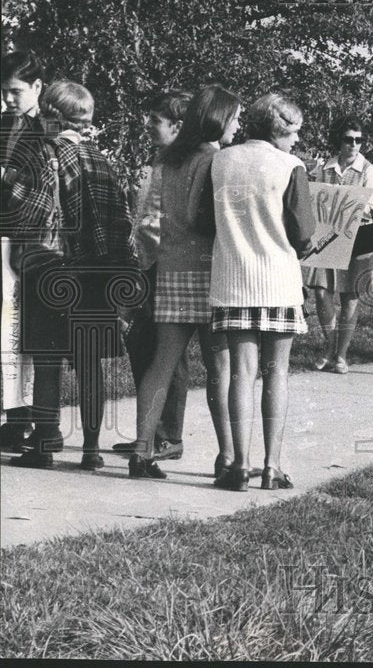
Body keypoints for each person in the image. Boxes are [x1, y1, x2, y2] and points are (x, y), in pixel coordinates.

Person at [3, 80, 138, 469]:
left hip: (50, 266)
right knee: (88, 361)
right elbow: (121, 219)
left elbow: (22, 208)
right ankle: (92, 451)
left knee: (48, 361)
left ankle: (45, 445)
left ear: (50, 112)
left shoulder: (44, 153)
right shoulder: (100, 159)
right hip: (96, 272)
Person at [127, 86, 240, 481]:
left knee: (161, 363)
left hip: (172, 267)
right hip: (209, 271)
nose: (237, 126)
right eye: (234, 118)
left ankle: (142, 450)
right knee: (219, 367)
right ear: (217, 120)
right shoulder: (213, 159)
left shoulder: (168, 158)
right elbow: (198, 216)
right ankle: (228, 455)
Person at [208, 92, 315, 492]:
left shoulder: (221, 160)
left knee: (241, 373)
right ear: (277, 131)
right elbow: (303, 233)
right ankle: (272, 466)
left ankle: (239, 463)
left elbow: (208, 218)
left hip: (233, 280)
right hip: (278, 280)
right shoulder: (291, 166)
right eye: (293, 132)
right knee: (277, 374)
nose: (296, 140)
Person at [112, 91, 193, 461]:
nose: (147, 125)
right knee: (141, 346)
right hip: (144, 265)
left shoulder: (183, 165)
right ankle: (147, 432)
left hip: (167, 266)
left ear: (177, 126)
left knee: (168, 354)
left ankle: (168, 435)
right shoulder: (159, 161)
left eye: (155, 120)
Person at [303, 117, 373, 374]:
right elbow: (311, 196)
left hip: (357, 237)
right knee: (321, 292)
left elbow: (371, 207)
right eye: (349, 139)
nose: (354, 145)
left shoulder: (368, 170)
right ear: (340, 140)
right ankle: (330, 346)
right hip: (327, 237)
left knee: (350, 296)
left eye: (359, 140)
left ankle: (341, 354)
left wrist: (343, 203)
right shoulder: (325, 166)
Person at [0, 50, 46, 450]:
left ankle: (19, 419)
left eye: (16, 91)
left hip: (19, 238)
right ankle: (20, 416)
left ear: (37, 87)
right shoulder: (16, 124)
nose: (9, 100)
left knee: (12, 329)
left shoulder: (37, 128)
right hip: (17, 237)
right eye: (4, 92)